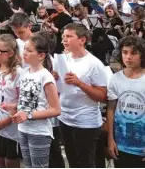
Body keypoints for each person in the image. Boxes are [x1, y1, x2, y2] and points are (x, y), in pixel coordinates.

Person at [57, 23, 108, 168]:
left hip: (85, 121)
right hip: (65, 117)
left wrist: (79, 83)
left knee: (85, 163)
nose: (64, 40)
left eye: (68, 36)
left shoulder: (94, 63)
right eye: (63, 37)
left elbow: (102, 96)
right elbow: (59, 89)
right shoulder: (64, 59)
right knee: (72, 161)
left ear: (82, 40)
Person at [12, 33, 61, 168]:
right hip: (23, 128)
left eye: (29, 50)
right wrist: (11, 106)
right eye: (24, 49)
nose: (24, 53)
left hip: (39, 131)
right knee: (28, 165)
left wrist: (28, 115)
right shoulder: (25, 72)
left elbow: (56, 109)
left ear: (41, 55)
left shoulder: (45, 76)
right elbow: (26, 99)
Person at [107, 36, 145, 168]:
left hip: (142, 145)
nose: (128, 57)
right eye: (125, 52)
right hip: (121, 144)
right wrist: (110, 139)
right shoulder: (115, 79)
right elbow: (111, 109)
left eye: (134, 53)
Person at [0, 34, 21, 168]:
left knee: (9, 161)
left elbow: (22, 103)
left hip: (9, 126)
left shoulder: (17, 73)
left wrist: (5, 122)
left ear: (11, 53)